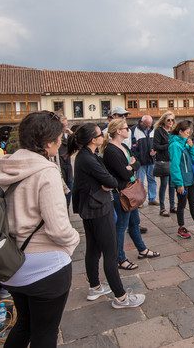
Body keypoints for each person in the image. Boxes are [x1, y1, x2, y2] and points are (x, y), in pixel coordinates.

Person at [0, 111, 81, 347]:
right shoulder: (46, 171)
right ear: (47, 142)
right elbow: (58, 228)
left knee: (24, 325)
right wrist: (73, 241)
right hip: (44, 265)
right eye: (58, 137)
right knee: (45, 333)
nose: (61, 141)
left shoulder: (4, 167)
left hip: (10, 261)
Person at [69, 123, 145, 309]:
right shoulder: (88, 158)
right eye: (99, 134)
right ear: (93, 140)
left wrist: (107, 182)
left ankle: (95, 286)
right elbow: (111, 180)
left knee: (94, 249)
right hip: (98, 208)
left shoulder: (87, 156)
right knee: (110, 253)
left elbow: (109, 178)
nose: (102, 135)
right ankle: (121, 297)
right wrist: (106, 183)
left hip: (92, 206)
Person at [102, 119, 159, 272]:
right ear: (118, 131)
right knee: (121, 226)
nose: (129, 130)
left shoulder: (124, 146)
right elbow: (123, 173)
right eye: (126, 128)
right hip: (122, 193)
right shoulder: (110, 150)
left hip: (131, 191)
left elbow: (137, 162)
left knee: (134, 223)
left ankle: (142, 249)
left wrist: (131, 166)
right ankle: (120, 258)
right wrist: (130, 167)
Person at [153, 111, 176, 216]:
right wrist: (169, 145)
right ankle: (162, 208)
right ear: (164, 121)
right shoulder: (159, 131)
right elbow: (156, 146)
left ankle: (172, 206)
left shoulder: (172, 132)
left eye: (172, 120)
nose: (171, 122)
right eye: (169, 120)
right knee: (164, 184)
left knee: (172, 185)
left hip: (173, 161)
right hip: (163, 161)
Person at [132, 115, 158, 206]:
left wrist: (155, 151)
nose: (148, 126)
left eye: (150, 124)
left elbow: (156, 143)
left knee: (152, 180)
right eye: (146, 124)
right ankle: (140, 201)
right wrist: (136, 158)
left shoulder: (154, 129)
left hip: (151, 160)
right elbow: (132, 146)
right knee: (140, 182)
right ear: (142, 122)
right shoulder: (134, 129)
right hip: (140, 161)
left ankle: (152, 199)